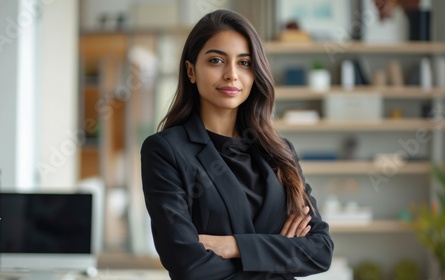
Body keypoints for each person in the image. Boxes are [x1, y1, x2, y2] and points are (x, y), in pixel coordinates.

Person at [140, 9, 333, 280]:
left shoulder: (280, 151)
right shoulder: (165, 151)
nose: (232, 74)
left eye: (244, 63)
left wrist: (232, 246)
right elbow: (189, 266)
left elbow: (320, 252)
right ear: (191, 70)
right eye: (217, 60)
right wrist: (279, 252)